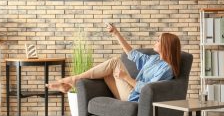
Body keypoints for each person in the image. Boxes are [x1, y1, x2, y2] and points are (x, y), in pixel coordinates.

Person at [46, 23, 181, 102]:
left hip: (135, 98)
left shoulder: (166, 69)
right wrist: (116, 33)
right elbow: (131, 54)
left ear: (166, 46)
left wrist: (126, 78)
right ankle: (70, 84)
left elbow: (148, 90)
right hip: (130, 92)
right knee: (108, 70)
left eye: (158, 40)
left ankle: (72, 80)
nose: (155, 42)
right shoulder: (154, 59)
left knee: (115, 62)